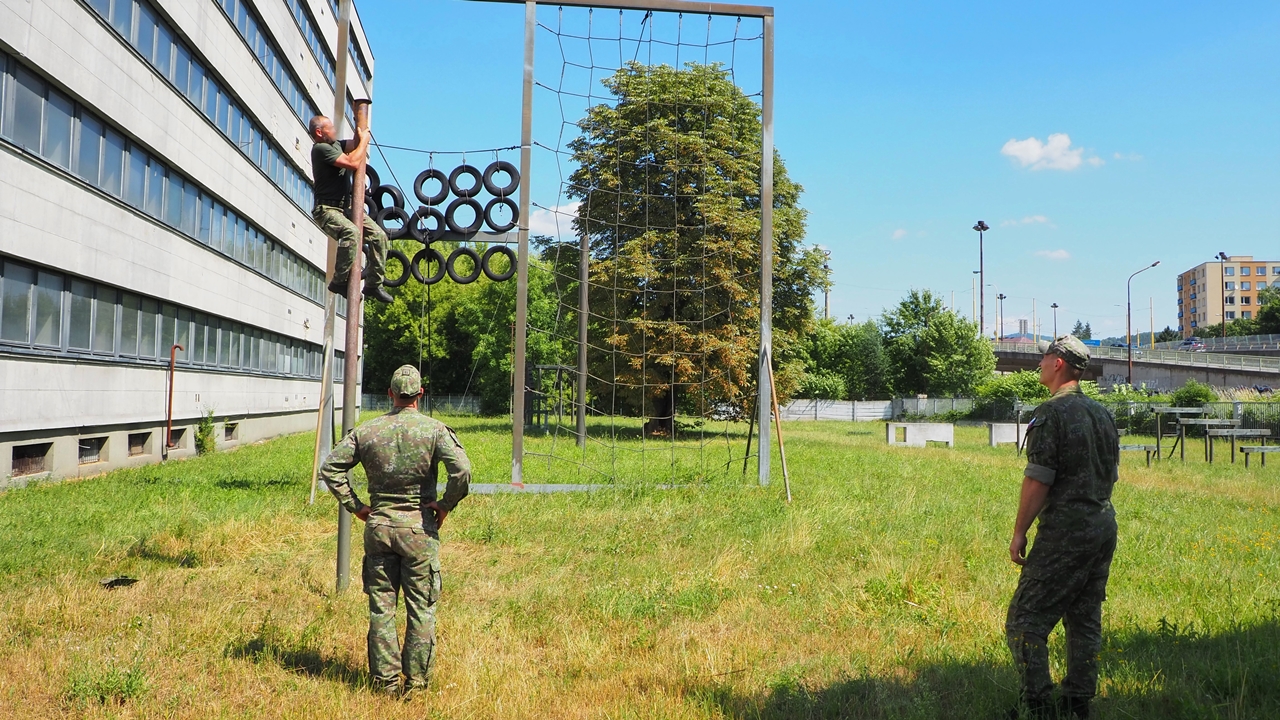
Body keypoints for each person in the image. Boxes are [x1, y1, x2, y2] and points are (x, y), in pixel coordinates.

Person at [320, 365, 471, 696]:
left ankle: (385, 684)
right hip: (419, 533)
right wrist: (445, 505)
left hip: (379, 530)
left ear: (390, 394)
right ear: (420, 394)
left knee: (381, 607)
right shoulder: (434, 431)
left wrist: (356, 507)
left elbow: (330, 468)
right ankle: (416, 685)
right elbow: (461, 471)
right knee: (421, 609)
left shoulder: (368, 431)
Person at [1006, 335, 1120, 720]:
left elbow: (1039, 478)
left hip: (1066, 531)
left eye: (1044, 356)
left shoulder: (1051, 413)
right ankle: (1077, 704)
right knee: (1084, 618)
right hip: (1102, 525)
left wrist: (1020, 531)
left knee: (1025, 621)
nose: (1039, 363)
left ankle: (1038, 706)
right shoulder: (1102, 414)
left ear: (1058, 364)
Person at [308, 114, 391, 303]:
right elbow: (353, 163)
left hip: (346, 207)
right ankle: (339, 281)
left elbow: (354, 143)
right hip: (327, 209)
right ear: (320, 132)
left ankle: (373, 284)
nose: (334, 130)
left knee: (379, 236)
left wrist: (359, 124)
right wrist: (364, 143)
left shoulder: (335, 144)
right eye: (330, 128)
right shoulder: (320, 149)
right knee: (351, 233)